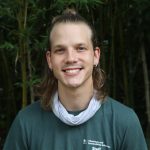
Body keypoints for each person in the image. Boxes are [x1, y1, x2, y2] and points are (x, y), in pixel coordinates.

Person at [3, 9, 148, 150]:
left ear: (95, 56)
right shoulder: (26, 123)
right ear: (50, 60)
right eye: (60, 50)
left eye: (80, 48)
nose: (71, 58)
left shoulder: (124, 122)